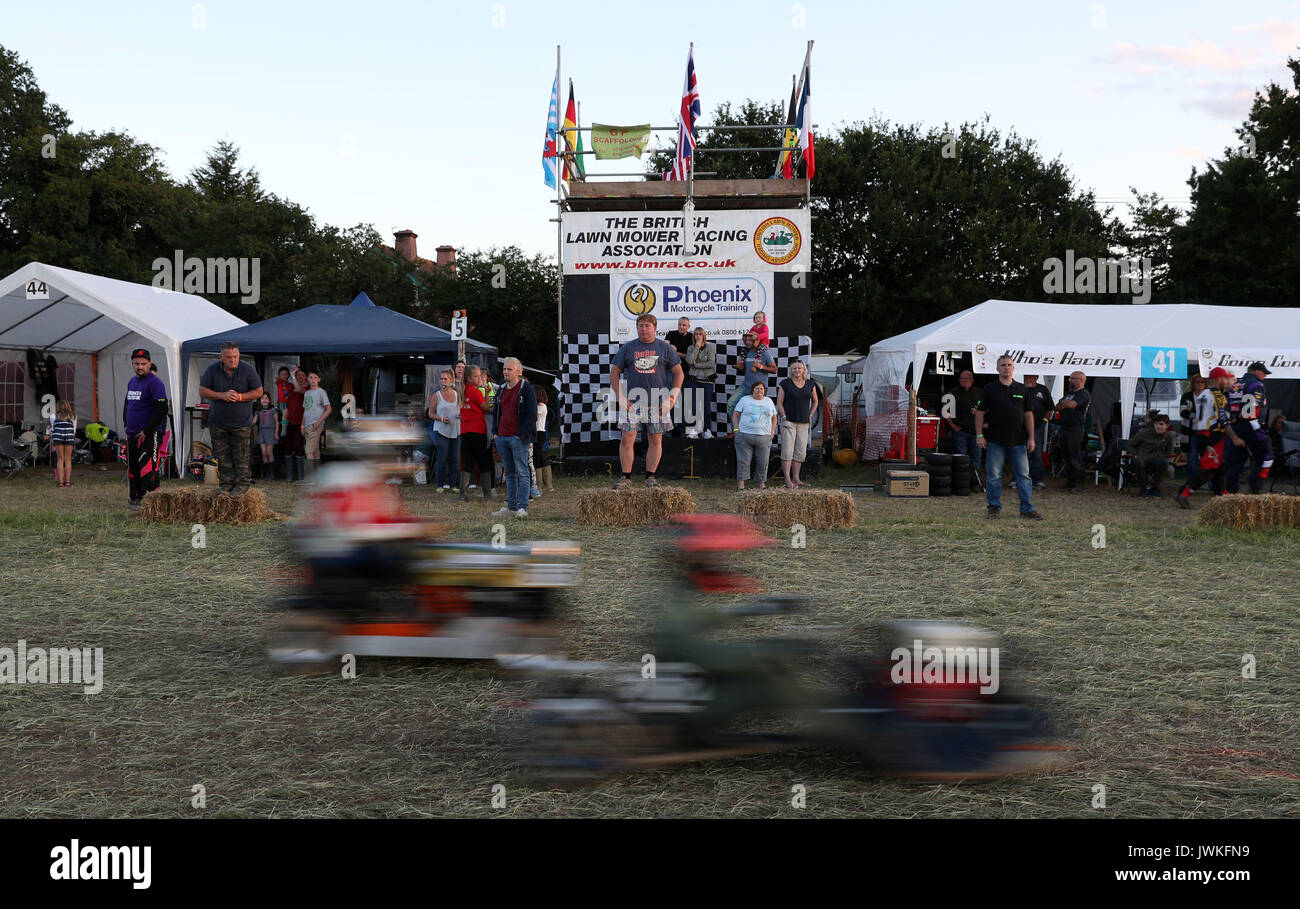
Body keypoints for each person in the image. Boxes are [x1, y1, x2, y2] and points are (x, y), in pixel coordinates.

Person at [609, 313, 684, 489]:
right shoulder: (628, 347)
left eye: (647, 326)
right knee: (627, 439)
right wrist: (620, 396)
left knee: (655, 439)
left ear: (655, 328)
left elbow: (679, 373)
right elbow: (614, 372)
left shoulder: (664, 348)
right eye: (641, 325)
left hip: (658, 404)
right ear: (637, 328)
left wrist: (672, 398)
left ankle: (650, 477)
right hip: (633, 403)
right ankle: (626, 478)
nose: (644, 329)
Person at [975, 355, 1040, 519]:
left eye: (1009, 365)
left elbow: (1029, 414)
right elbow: (980, 412)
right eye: (1003, 365)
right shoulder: (989, 388)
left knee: (1024, 477)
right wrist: (979, 435)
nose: (1006, 367)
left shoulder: (1022, 389)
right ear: (997, 368)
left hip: (1018, 442)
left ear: (1014, 368)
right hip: (995, 441)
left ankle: (1027, 509)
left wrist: (1031, 437)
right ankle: (994, 507)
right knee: (994, 476)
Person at [199, 343, 263, 495]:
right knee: (222, 456)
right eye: (229, 357)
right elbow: (202, 390)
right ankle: (226, 485)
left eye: (235, 357)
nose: (233, 360)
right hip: (218, 422)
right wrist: (222, 395)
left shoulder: (247, 369)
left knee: (242, 456)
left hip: (241, 423)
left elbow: (258, 391)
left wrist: (240, 397)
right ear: (221, 357)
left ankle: (242, 486)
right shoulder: (212, 370)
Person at [1176, 367, 1238, 508]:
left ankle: (1222, 496)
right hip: (1213, 435)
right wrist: (1234, 437)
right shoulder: (1217, 395)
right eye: (1225, 378)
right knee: (1208, 470)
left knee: (1219, 468)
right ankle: (1184, 493)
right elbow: (1221, 419)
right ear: (1218, 379)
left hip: (1201, 433)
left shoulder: (1202, 394)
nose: (1227, 381)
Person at [490, 357, 537, 517]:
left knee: (522, 472)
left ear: (519, 371)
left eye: (509, 369)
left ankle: (522, 507)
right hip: (502, 436)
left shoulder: (527, 389)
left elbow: (532, 415)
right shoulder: (501, 389)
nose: (505, 372)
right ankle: (511, 507)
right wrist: (495, 432)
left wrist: (520, 434)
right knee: (509, 473)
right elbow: (496, 411)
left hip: (517, 438)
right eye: (504, 369)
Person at [123, 348, 169, 507]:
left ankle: (150, 501)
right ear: (132, 364)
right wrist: (126, 424)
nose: (140, 367)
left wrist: (147, 430)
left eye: (143, 364)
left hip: (148, 434)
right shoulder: (132, 382)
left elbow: (162, 409)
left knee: (148, 467)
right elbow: (127, 405)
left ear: (149, 364)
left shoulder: (155, 383)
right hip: (132, 433)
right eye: (137, 364)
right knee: (133, 467)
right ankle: (134, 497)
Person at [1224, 361, 1274, 494]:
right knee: (1267, 455)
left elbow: (1227, 407)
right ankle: (1255, 486)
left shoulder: (1235, 385)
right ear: (1256, 371)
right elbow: (1248, 410)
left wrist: (1234, 418)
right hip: (1252, 426)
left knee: (1235, 461)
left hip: (1235, 428)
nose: (1265, 376)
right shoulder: (1256, 384)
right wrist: (1240, 417)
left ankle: (1231, 491)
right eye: (1264, 373)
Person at [776, 360, 819, 489]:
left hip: (804, 423)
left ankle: (796, 478)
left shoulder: (810, 384)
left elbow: (816, 401)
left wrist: (811, 415)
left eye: (799, 368)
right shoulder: (785, 383)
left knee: (800, 452)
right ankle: (788, 480)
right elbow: (779, 402)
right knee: (787, 451)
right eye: (794, 368)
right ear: (791, 370)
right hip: (789, 422)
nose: (797, 370)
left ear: (804, 370)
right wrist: (783, 417)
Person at [1052, 371, 1094, 494]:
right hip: (1064, 427)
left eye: (1072, 378)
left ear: (1081, 380)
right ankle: (1070, 482)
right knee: (1066, 456)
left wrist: (1064, 403)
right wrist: (1064, 404)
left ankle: (1079, 483)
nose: (1070, 380)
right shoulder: (1070, 393)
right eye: (1070, 378)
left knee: (1074, 456)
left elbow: (1070, 405)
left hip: (1075, 429)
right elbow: (1057, 406)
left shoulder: (1083, 394)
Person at [726, 330, 776, 430]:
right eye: (746, 340)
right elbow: (746, 368)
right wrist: (740, 367)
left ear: (756, 341)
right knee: (731, 404)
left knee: (756, 412)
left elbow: (775, 369)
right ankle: (735, 430)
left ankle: (760, 432)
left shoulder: (765, 353)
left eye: (750, 340)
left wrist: (761, 367)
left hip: (759, 389)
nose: (747, 342)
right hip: (746, 386)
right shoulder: (746, 352)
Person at [732, 381, 778, 491]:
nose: (759, 390)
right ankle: (741, 485)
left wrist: (772, 431)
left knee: (763, 461)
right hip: (744, 435)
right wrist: (736, 429)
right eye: (757, 388)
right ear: (752, 390)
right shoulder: (744, 400)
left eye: (761, 388)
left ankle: (761, 484)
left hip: (764, 436)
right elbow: (735, 415)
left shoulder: (769, 401)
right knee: (743, 461)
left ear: (764, 391)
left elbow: (774, 417)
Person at [459, 365, 494, 500]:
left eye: (480, 376)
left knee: (467, 462)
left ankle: (463, 495)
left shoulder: (462, 390)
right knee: (484, 461)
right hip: (478, 430)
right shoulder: (475, 391)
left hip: (465, 431)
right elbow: (485, 409)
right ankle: (487, 495)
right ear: (469, 378)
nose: (479, 378)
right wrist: (486, 393)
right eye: (476, 376)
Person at [943, 370, 983, 481]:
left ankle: (976, 482)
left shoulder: (979, 393)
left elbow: (989, 407)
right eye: (964, 378)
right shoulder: (952, 394)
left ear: (973, 380)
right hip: (960, 432)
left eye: (969, 378)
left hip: (976, 432)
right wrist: (953, 426)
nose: (966, 380)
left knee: (976, 458)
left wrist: (980, 412)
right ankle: (961, 482)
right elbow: (945, 412)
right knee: (961, 458)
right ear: (959, 380)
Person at [428, 367, 461, 492]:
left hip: (456, 430)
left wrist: (461, 416)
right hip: (441, 430)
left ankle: (452, 484)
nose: (442, 381)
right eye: (441, 379)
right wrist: (441, 419)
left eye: (445, 379)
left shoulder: (457, 394)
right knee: (443, 457)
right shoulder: (436, 396)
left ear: (451, 380)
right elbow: (430, 414)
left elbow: (460, 410)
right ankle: (439, 485)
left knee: (455, 458)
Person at [682, 326, 717, 439]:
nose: (698, 336)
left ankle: (707, 430)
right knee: (693, 406)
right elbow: (689, 361)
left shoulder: (710, 347)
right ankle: (694, 430)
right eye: (696, 334)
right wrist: (696, 348)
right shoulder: (690, 348)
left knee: (705, 406)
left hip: (707, 381)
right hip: (693, 380)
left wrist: (696, 365)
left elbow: (710, 363)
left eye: (700, 334)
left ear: (704, 336)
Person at [1129, 413, 1175, 497]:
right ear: (1153, 424)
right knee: (1139, 462)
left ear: (1167, 426)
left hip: (1155, 459)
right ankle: (1143, 490)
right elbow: (1131, 444)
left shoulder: (1168, 436)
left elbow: (1170, 452)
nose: (1158, 426)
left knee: (1163, 462)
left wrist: (1161, 456)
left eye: (1161, 424)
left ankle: (1155, 489)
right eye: (1156, 424)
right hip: (1141, 457)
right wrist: (1135, 454)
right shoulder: (1144, 433)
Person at [1022, 374, 1054, 490]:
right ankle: (1018, 479)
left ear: (1036, 378)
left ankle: (1037, 480)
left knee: (1036, 454)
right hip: (1020, 428)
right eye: (1026, 377)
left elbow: (1050, 408)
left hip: (1037, 428)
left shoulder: (1043, 390)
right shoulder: (1019, 388)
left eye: (1031, 377)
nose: (1028, 379)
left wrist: (1044, 421)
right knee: (1019, 453)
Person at [302, 370, 333, 479]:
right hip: (307, 425)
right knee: (314, 451)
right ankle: (319, 477)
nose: (313, 379)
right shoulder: (307, 393)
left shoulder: (321, 392)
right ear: (308, 379)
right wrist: (302, 425)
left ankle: (310, 478)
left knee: (308, 451)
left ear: (319, 379)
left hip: (316, 424)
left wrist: (319, 422)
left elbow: (329, 409)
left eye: (315, 377)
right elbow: (305, 410)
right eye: (310, 377)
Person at [1179, 374, 1210, 470]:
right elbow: (1183, 412)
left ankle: (1210, 483)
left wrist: (1192, 410)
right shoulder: (1187, 396)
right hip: (1190, 432)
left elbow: (1211, 413)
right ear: (1193, 383)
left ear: (1205, 383)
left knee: (1207, 458)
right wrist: (1199, 413)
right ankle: (1193, 483)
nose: (1200, 384)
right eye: (1197, 382)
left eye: (1202, 382)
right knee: (1192, 459)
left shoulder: (1210, 395)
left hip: (1207, 431)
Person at [49, 399, 77, 488]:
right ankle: (68, 482)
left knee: (60, 459)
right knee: (68, 459)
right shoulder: (73, 415)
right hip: (69, 436)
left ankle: (61, 482)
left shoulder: (53, 416)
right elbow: (74, 430)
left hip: (58, 437)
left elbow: (53, 429)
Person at [254, 393, 280, 481]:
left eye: (266, 398)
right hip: (262, 433)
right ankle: (267, 473)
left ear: (269, 401)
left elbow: (277, 422)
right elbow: (253, 421)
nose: (264, 400)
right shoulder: (258, 412)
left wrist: (276, 433)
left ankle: (273, 473)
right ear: (260, 401)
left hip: (271, 432)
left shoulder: (273, 411)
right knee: (264, 453)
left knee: (269, 453)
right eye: (262, 398)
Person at [534, 387, 554, 493]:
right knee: (541, 457)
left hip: (539, 433)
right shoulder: (541, 406)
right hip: (540, 433)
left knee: (536, 458)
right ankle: (548, 485)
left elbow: (533, 418)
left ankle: (539, 486)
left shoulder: (540, 406)